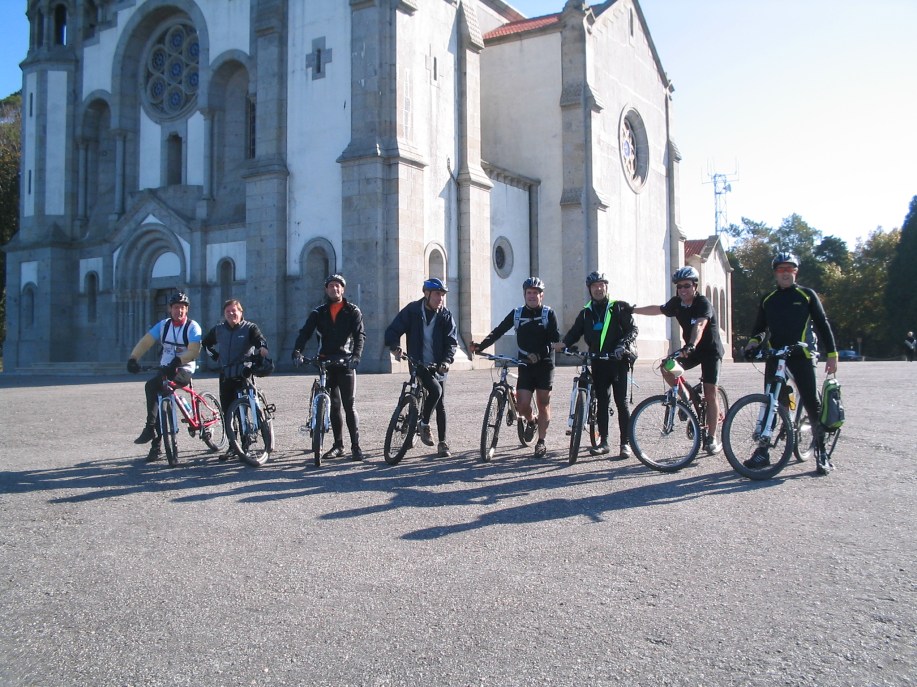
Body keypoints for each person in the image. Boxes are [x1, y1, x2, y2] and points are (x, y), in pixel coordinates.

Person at [744, 252, 839, 472]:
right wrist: (751, 344)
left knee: (810, 402)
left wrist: (832, 354)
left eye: (789, 269)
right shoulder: (769, 299)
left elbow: (822, 324)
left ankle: (821, 452)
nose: (785, 273)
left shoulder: (806, 295)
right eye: (781, 269)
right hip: (776, 355)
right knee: (772, 402)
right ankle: (763, 451)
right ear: (775, 273)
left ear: (795, 272)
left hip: (802, 356)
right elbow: (759, 329)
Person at [633, 266, 725, 455]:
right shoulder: (676, 303)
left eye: (687, 286)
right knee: (667, 367)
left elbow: (700, 325)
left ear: (695, 286)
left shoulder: (702, 303)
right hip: (691, 349)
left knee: (710, 391)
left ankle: (712, 437)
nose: (683, 290)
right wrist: (632, 309)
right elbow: (657, 309)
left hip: (710, 350)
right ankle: (688, 400)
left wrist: (691, 344)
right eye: (679, 286)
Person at [470, 277, 560, 457]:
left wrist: (539, 354)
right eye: (529, 293)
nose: (532, 296)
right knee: (523, 404)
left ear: (541, 295)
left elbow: (554, 341)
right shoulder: (517, 313)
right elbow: (499, 330)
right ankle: (531, 421)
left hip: (544, 364)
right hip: (525, 364)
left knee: (543, 402)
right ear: (524, 294)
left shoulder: (548, 314)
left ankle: (541, 442)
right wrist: (481, 346)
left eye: (535, 293)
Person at [553, 271, 638, 458]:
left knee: (621, 402)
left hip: (618, 362)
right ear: (589, 290)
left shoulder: (619, 308)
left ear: (606, 287)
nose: (598, 289)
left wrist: (622, 345)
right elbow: (575, 332)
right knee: (601, 401)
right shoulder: (586, 313)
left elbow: (632, 329)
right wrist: (563, 344)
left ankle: (625, 443)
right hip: (598, 362)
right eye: (594, 286)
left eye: (601, 285)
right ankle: (604, 442)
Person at [292, 274, 366, 461]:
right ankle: (338, 445)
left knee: (349, 405)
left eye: (338, 286)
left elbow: (359, 336)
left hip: (345, 362)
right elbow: (305, 332)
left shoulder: (353, 311)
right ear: (326, 289)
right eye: (331, 286)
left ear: (343, 289)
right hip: (325, 362)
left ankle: (355, 446)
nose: (335, 289)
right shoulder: (319, 312)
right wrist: (297, 351)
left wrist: (356, 356)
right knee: (333, 405)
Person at [384, 278, 458, 458]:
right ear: (427, 294)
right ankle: (418, 425)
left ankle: (441, 442)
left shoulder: (446, 316)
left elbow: (451, 342)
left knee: (439, 399)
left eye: (442, 295)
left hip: (438, 365)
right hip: (417, 362)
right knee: (431, 390)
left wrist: (447, 361)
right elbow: (393, 329)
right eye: (437, 294)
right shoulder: (413, 310)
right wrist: (395, 346)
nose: (440, 298)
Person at [127, 292, 203, 461]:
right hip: (166, 367)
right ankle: (152, 433)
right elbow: (146, 341)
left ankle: (160, 432)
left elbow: (194, 351)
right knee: (151, 387)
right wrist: (133, 358)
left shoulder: (193, 327)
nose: (179, 311)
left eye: (183, 308)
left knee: (167, 387)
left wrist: (178, 360)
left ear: (187, 310)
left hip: (185, 368)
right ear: (170, 309)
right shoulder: (163, 326)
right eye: (176, 308)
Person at [201, 299, 270, 458]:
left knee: (241, 412)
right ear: (224, 314)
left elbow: (260, 340)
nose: (232, 314)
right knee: (227, 412)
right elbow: (206, 344)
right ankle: (233, 446)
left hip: (243, 374)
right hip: (226, 374)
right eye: (228, 312)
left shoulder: (249, 328)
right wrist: (216, 357)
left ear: (241, 312)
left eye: (234, 311)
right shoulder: (219, 330)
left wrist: (262, 348)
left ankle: (245, 443)